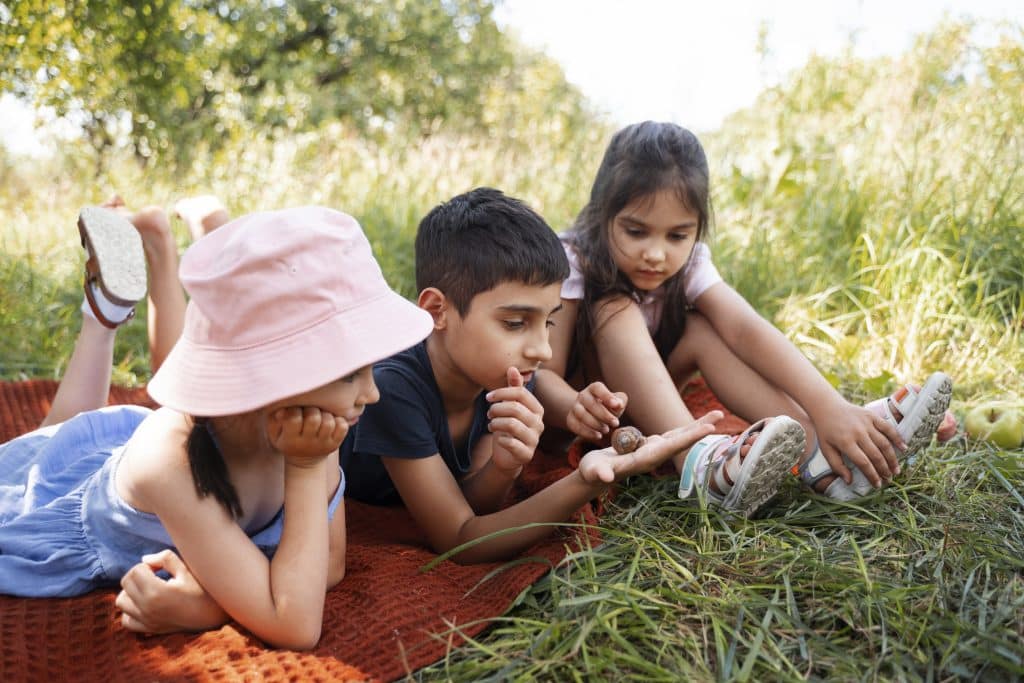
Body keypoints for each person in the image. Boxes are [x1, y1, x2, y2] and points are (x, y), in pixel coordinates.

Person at [0, 205, 433, 650]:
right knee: (47, 444)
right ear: (276, 375)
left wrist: (209, 605)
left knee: (63, 428)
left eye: (369, 370)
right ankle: (103, 316)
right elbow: (297, 626)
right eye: (349, 374)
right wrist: (303, 470)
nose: (372, 393)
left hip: (150, 450)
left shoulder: (316, 421)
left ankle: (140, 269)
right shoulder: (170, 462)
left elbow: (330, 565)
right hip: (75, 501)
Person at [537, 120, 954, 508]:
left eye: (677, 235)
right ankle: (695, 460)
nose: (656, 253)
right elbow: (542, 374)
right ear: (603, 213)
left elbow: (745, 329)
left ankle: (819, 454)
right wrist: (576, 404)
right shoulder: (575, 258)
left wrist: (830, 406)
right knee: (615, 306)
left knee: (703, 328)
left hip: (652, 404)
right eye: (635, 230)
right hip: (590, 417)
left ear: (698, 227)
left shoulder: (691, 263)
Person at [339, 187, 724, 563]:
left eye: (548, 322)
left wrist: (512, 460)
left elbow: (476, 502)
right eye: (515, 323)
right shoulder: (393, 388)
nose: (543, 350)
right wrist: (585, 481)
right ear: (437, 311)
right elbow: (461, 537)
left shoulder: (494, 373)